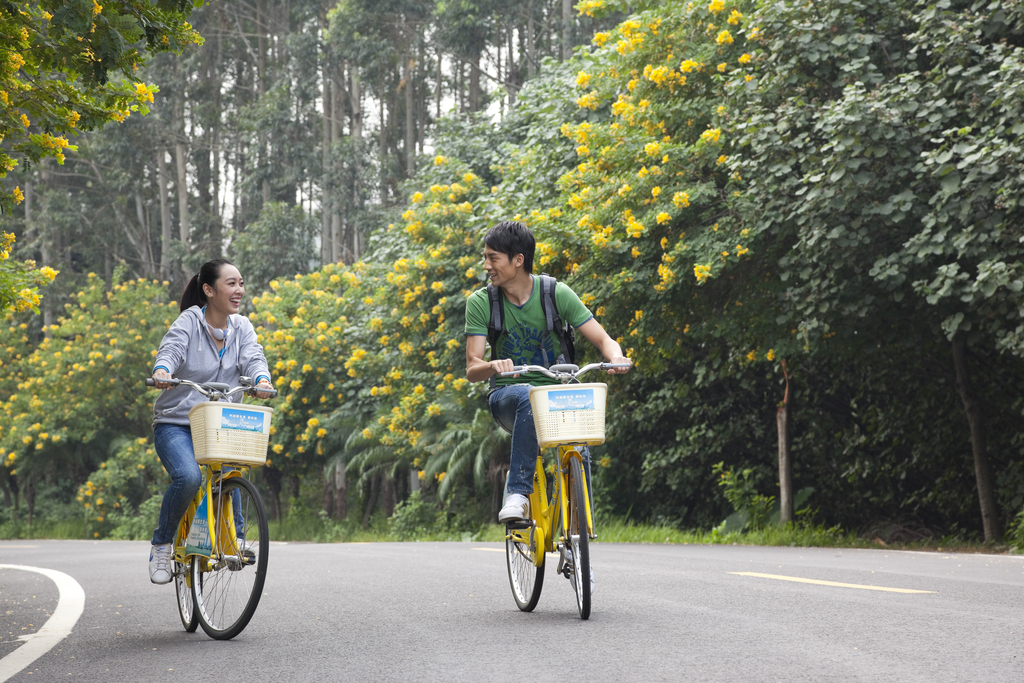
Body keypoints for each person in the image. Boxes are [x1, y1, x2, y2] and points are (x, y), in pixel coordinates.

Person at [464, 221, 631, 524]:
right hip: (508, 395)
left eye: (493, 258)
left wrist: (615, 357)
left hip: (558, 392)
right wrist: (492, 365)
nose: (486, 265)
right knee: (530, 394)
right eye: (485, 257)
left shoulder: (555, 293)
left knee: (579, 444)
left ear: (518, 260)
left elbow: (604, 340)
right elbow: (473, 367)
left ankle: (579, 533)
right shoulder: (481, 302)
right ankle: (518, 494)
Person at [148, 258, 273, 584]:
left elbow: (253, 356)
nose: (239, 290)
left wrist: (260, 379)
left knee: (231, 470)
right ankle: (161, 544)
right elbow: (171, 349)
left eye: (241, 283)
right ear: (209, 289)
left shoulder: (242, 326)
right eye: (231, 283)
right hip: (177, 423)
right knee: (189, 478)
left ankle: (236, 538)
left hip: (221, 420)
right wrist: (163, 370)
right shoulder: (190, 321)